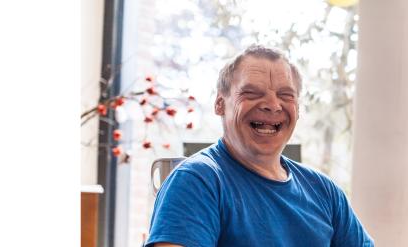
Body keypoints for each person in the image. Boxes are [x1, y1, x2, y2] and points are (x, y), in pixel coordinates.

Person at [145, 45, 374, 247]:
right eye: (252, 93)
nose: (273, 105)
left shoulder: (324, 190)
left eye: (286, 95)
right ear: (219, 104)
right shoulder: (197, 181)